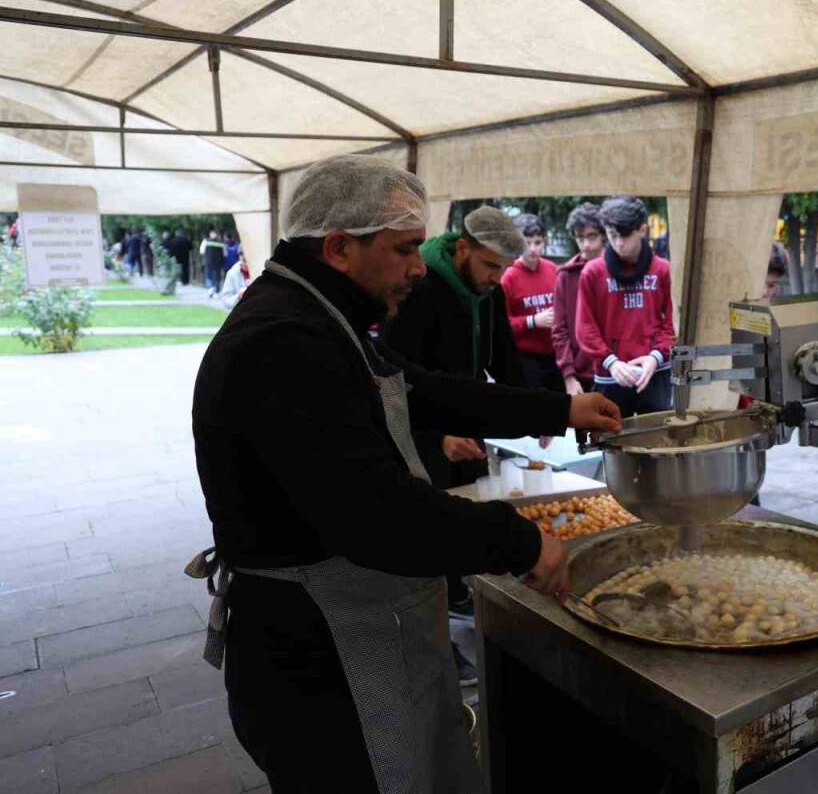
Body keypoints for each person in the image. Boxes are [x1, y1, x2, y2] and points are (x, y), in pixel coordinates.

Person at [188, 154, 621, 793]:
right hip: (316, 655)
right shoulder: (283, 340)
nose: (420, 267)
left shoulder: (322, 315)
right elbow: (376, 515)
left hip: (352, 635)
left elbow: (424, 389)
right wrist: (518, 540)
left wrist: (560, 405)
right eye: (405, 249)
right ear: (338, 247)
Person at [384, 206, 528, 487]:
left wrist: (542, 411)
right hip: (422, 432)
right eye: (490, 265)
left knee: (477, 499)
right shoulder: (418, 288)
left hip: (468, 420)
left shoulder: (490, 291)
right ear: (462, 248)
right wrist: (440, 437)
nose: (497, 278)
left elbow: (504, 356)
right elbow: (396, 375)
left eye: (504, 268)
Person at [576, 196, 675, 418]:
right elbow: (585, 327)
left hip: (655, 371)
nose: (619, 243)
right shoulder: (592, 273)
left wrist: (656, 356)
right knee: (613, 442)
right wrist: (610, 362)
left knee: (657, 439)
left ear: (642, 230)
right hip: (611, 374)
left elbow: (672, 322)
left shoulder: (663, 270)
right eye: (612, 235)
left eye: (625, 235)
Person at [501, 213, 562, 392]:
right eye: (527, 243)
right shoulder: (508, 277)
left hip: (555, 355)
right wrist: (533, 321)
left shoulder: (553, 269)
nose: (533, 249)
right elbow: (502, 325)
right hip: (526, 358)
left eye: (538, 242)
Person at [553, 202, 605, 395]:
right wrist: (568, 375)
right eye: (580, 237)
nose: (586, 244)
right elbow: (559, 329)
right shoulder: (565, 275)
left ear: (603, 235)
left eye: (592, 236)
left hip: (616, 372)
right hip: (581, 374)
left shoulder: (618, 270)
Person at [200, 229, 226, 297]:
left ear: (210, 234)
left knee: (209, 276)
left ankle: (211, 288)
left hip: (208, 262)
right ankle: (217, 291)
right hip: (218, 263)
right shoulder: (221, 242)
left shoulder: (206, 241)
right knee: (217, 277)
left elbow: (201, 251)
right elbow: (225, 254)